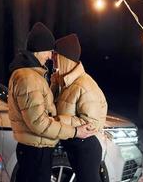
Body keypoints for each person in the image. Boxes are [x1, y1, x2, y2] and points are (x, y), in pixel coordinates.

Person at [8, 23, 95, 182]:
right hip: (36, 151)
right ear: (40, 50)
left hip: (36, 149)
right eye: (49, 51)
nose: (50, 56)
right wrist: (75, 132)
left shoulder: (32, 75)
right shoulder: (28, 78)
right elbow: (39, 123)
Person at [52, 34, 108, 182]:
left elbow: (92, 123)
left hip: (86, 149)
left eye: (55, 55)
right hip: (74, 146)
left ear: (64, 57)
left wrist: (59, 120)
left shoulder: (85, 85)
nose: (52, 59)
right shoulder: (64, 83)